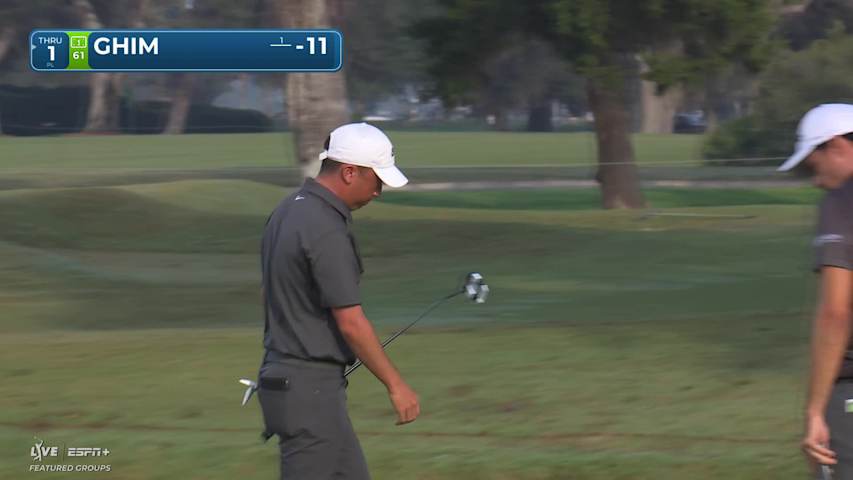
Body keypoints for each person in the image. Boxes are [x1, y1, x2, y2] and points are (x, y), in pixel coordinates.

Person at [257, 123, 420, 479]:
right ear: (349, 172)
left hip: (291, 382)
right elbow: (351, 321)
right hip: (308, 392)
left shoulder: (288, 210)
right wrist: (396, 385)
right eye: (376, 179)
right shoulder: (325, 227)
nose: (378, 191)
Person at [779, 104, 853, 478]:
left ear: (837, 145)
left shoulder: (842, 203)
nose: (816, 181)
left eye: (814, 165)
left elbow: (836, 313)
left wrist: (815, 410)